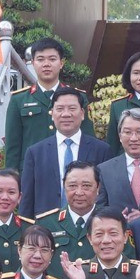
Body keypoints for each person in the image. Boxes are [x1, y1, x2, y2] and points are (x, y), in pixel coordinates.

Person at [21, 87, 113, 217]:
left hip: (90, 225)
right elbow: (27, 199)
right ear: (52, 113)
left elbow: (105, 195)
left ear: (82, 113)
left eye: (72, 108)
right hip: (46, 227)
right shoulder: (35, 152)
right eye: (60, 109)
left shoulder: (101, 150)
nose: (66, 114)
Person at [4, 38, 90, 169]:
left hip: (71, 169)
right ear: (32, 63)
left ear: (61, 63)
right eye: (40, 59)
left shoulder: (78, 97)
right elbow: (12, 148)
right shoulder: (19, 100)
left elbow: (88, 138)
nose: (46, 64)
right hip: (32, 171)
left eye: (52, 59)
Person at [40, 159, 109, 264]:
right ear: (64, 186)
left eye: (86, 186)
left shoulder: (112, 222)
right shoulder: (45, 223)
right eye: (72, 186)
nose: (79, 192)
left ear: (98, 187)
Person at [98, 107, 140, 216]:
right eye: (127, 132)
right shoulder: (104, 170)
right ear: (120, 136)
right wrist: (116, 219)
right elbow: (99, 209)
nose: (133, 138)